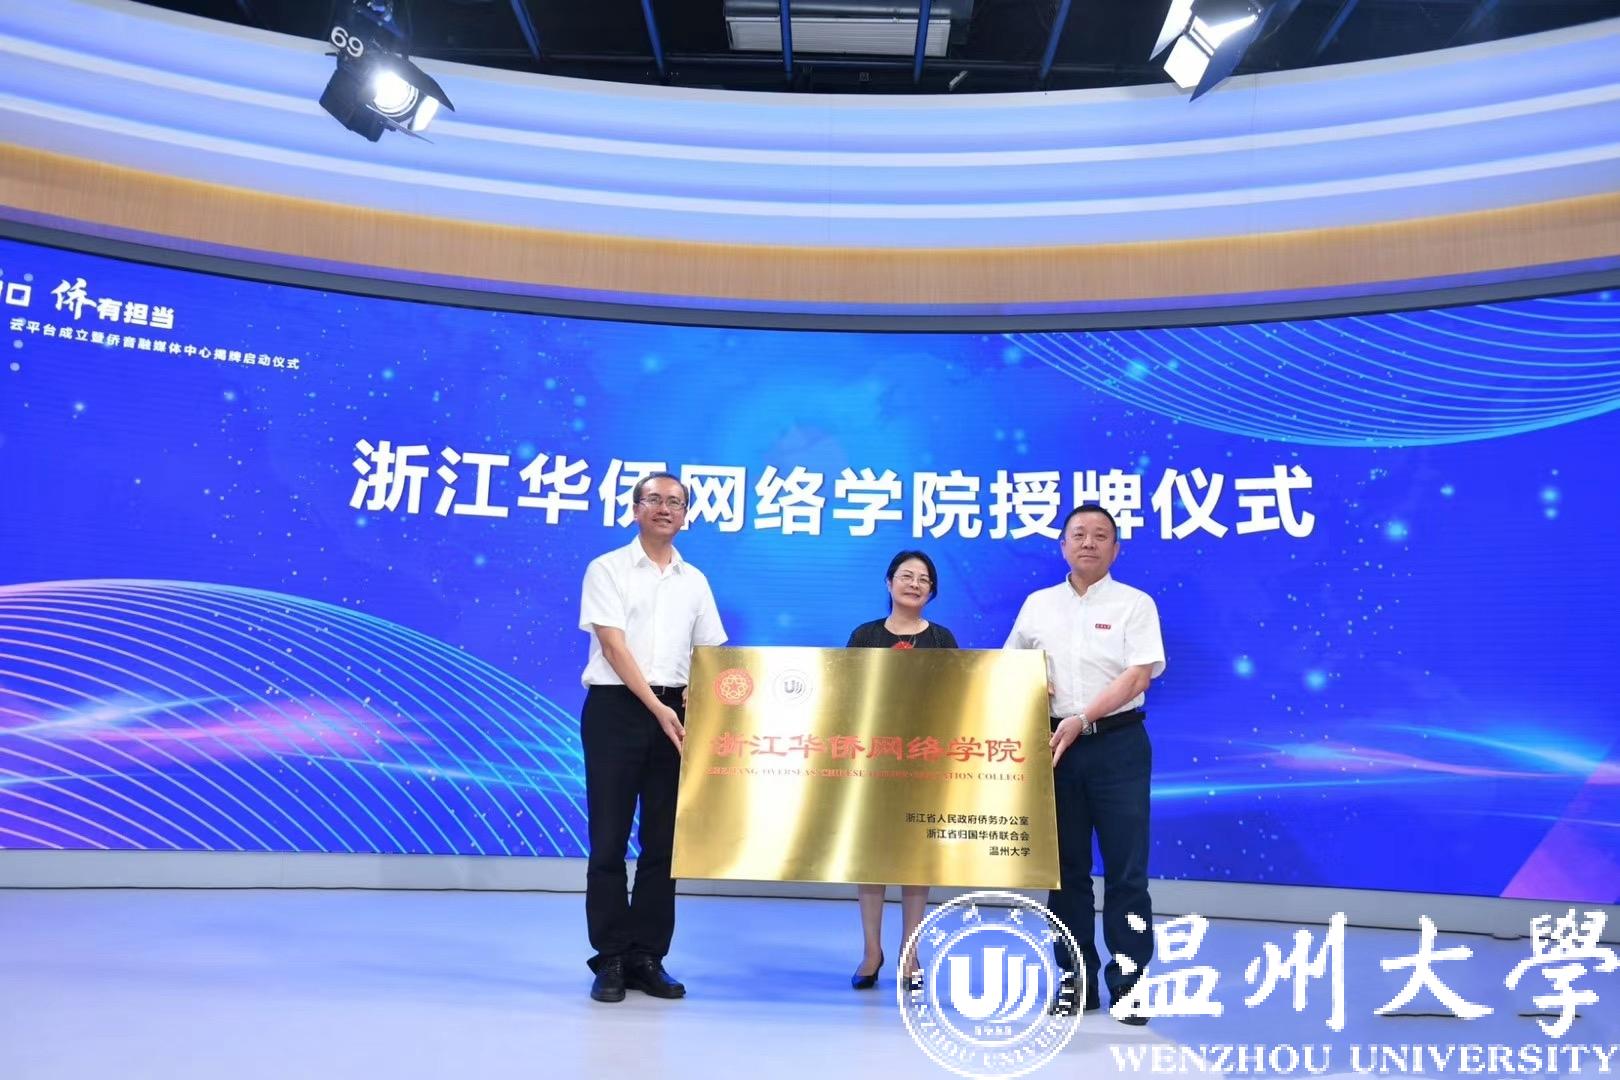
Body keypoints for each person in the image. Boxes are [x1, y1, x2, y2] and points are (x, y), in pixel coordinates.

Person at [1003, 504, 1165, 1024]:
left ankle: (1129, 985)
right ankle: (1076, 982)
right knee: (1065, 873)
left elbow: (1138, 675)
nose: (1088, 543)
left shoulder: (1134, 604)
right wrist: (1033, 685)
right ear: (1063, 546)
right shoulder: (1038, 605)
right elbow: (1010, 668)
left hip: (1118, 746)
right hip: (1055, 748)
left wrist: (1082, 718)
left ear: (1116, 549)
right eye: (1078, 534)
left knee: (1126, 874)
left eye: (1100, 535)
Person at [578, 471, 727, 1003]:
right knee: (609, 840)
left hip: (678, 714)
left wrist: (694, 708)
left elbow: (710, 654)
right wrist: (657, 707)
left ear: (686, 515)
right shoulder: (607, 569)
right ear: (636, 508)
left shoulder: (695, 581)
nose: (665, 509)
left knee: (664, 843)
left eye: (676, 502)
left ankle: (647, 956)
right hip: (617, 709)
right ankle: (611, 958)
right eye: (655, 499)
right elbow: (613, 648)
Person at [844, 549, 959, 989]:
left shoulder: (942, 639)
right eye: (906, 576)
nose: (914, 584)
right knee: (871, 855)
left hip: (925, 761)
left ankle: (910, 954)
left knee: (916, 856)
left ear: (932, 591)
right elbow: (847, 693)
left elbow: (956, 698)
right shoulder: (865, 635)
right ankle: (871, 952)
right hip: (872, 760)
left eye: (924, 579)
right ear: (889, 582)